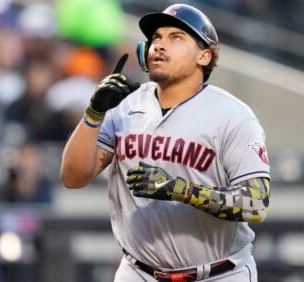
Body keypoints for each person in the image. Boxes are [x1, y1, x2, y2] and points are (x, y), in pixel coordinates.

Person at [61, 4, 270, 281]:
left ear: (204, 56)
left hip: (219, 273)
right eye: (156, 37)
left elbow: (256, 204)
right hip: (139, 271)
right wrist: (93, 113)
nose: (160, 45)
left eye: (176, 38)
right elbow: (73, 177)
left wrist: (178, 190)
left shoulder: (233, 115)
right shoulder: (125, 106)